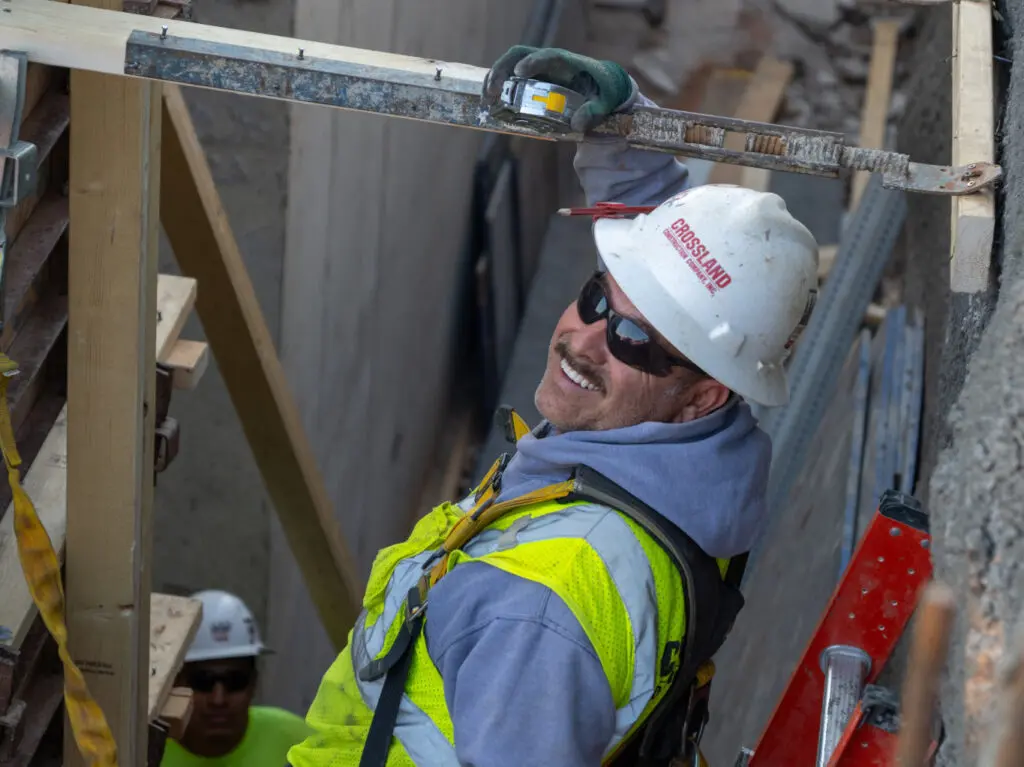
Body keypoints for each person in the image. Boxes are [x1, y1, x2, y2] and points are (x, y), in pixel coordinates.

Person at [287, 46, 818, 767]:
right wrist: (623, 114)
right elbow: (663, 250)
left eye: (631, 338)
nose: (584, 339)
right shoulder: (693, 465)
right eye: (599, 295)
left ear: (703, 392)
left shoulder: (544, 603)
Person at [161, 590, 311, 767]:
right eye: (202, 681)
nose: (218, 699)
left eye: (235, 681)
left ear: (254, 683)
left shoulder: (299, 740)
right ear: (176, 683)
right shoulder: (144, 752)